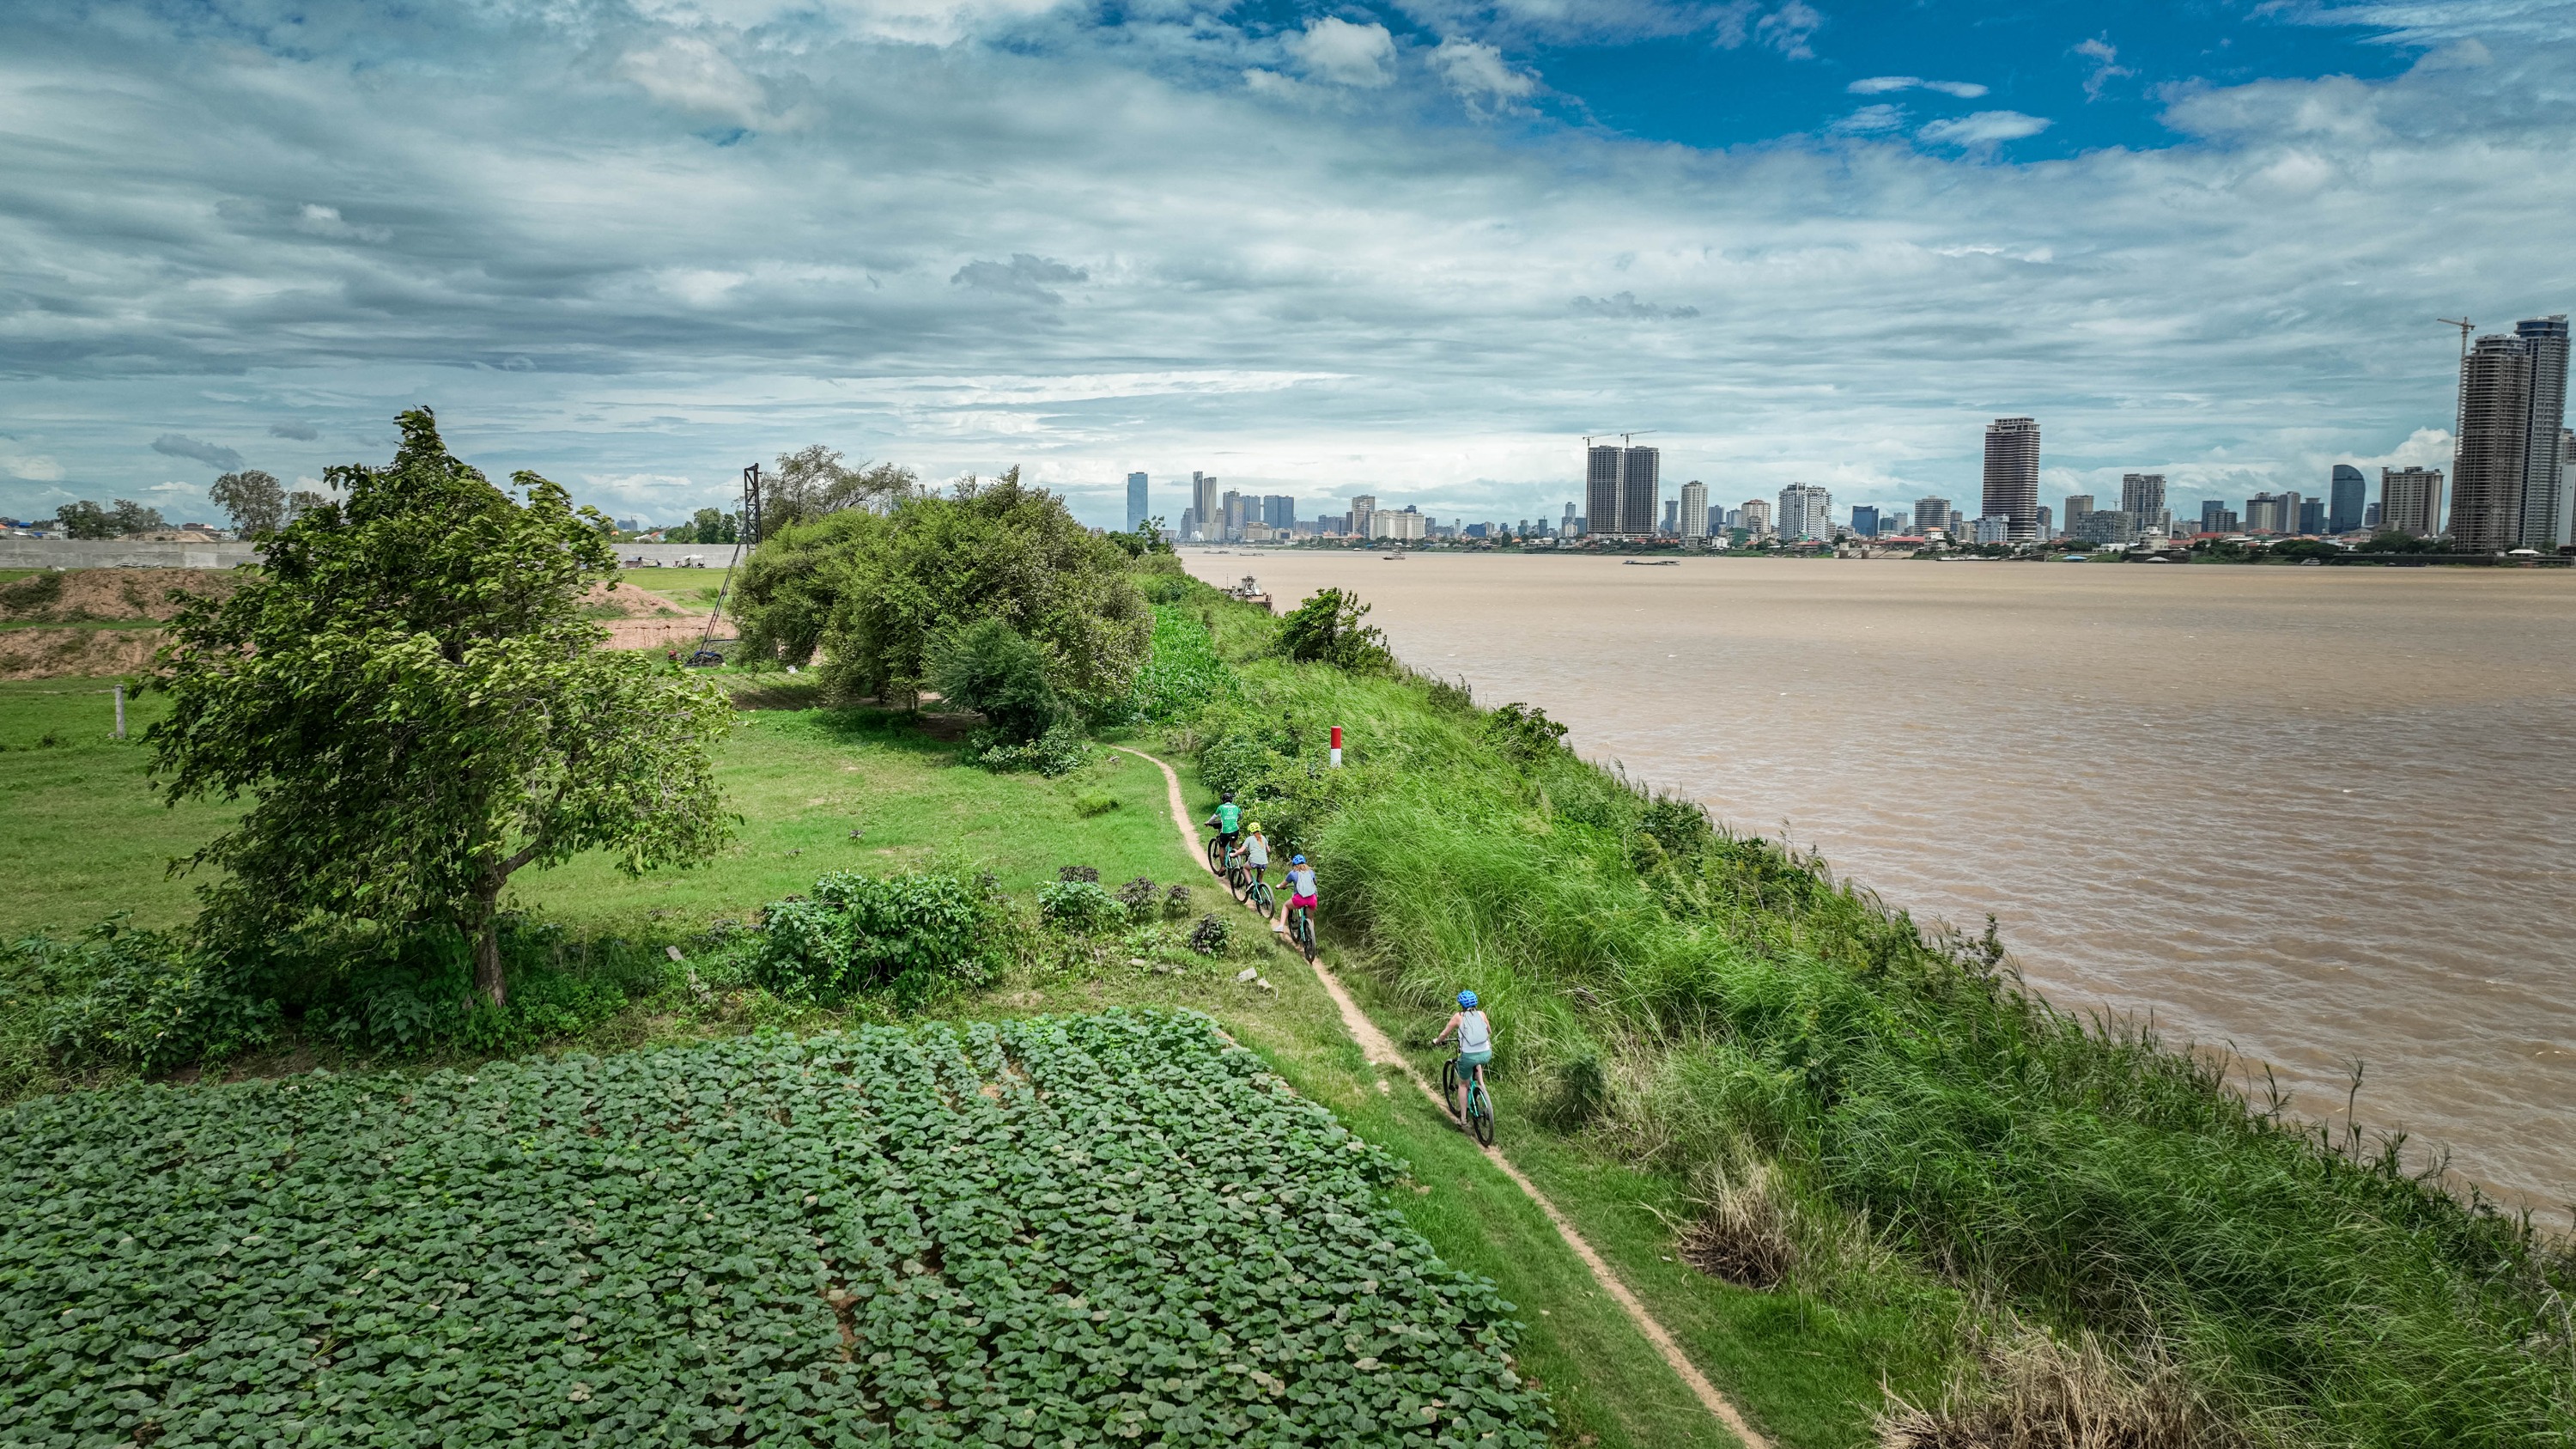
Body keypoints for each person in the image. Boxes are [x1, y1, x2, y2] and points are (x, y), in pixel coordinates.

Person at [1431, 990, 1494, 1119]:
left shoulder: (1458, 1017)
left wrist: (1437, 1041)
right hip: (1486, 1053)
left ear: (1462, 1005)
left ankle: (1463, 1119)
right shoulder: (1481, 1014)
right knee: (1477, 1059)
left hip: (1468, 1057)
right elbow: (1489, 1031)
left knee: (1463, 1084)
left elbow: (1444, 1034)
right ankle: (1482, 1087)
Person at [1276, 853, 1317, 935]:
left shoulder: (1292, 873)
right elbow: (1315, 883)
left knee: (1286, 906)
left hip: (1300, 899)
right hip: (1312, 899)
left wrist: (1279, 886)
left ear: (1294, 865)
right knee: (1310, 918)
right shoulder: (1311, 872)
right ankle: (1311, 936)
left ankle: (1281, 926)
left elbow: (1283, 884)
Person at [1202, 790, 1241, 865]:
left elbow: (1214, 817)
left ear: (1223, 800)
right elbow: (1240, 816)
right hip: (1235, 830)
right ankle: (1237, 862)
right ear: (1231, 800)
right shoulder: (1236, 807)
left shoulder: (1221, 807)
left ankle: (1223, 866)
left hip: (1225, 831)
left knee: (1222, 847)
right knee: (1234, 843)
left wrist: (1208, 822)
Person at [1239, 821, 1271, 891]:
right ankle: (1260, 897)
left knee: (1245, 868)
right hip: (1265, 863)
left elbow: (1241, 850)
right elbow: (1268, 850)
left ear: (1251, 832)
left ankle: (1250, 884)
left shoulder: (1249, 838)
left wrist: (1234, 854)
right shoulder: (1263, 837)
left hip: (1254, 861)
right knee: (1260, 881)